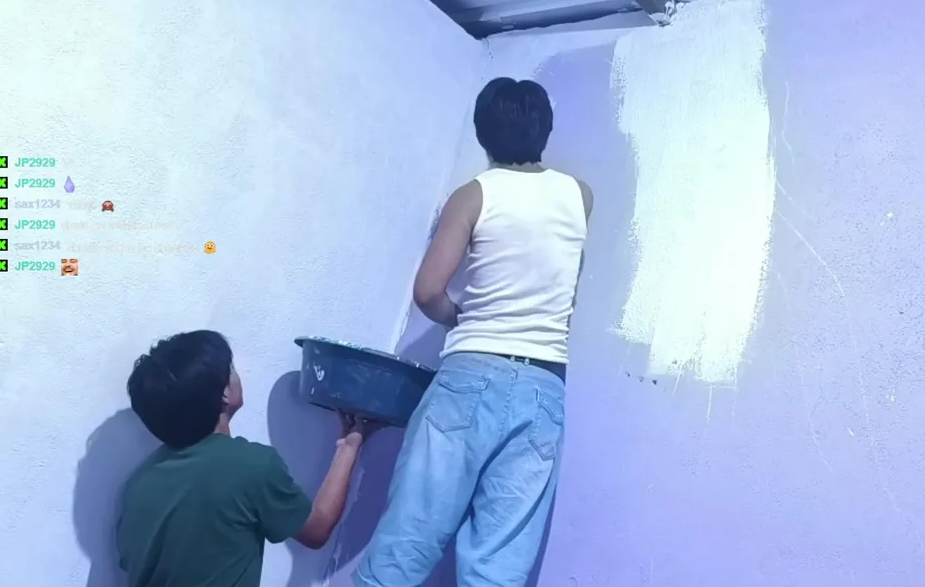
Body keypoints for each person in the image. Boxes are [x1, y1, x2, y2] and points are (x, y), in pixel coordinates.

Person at [355, 77, 593, 587]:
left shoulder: (473, 195)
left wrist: (458, 315)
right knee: (498, 566)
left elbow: (428, 292)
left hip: (471, 377)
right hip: (544, 389)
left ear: (483, 134)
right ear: (545, 130)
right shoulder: (580, 196)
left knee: (409, 538)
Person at [117, 329, 373, 587]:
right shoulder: (251, 466)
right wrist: (348, 448)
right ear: (225, 394)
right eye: (231, 368)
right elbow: (317, 530)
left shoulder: (140, 482)